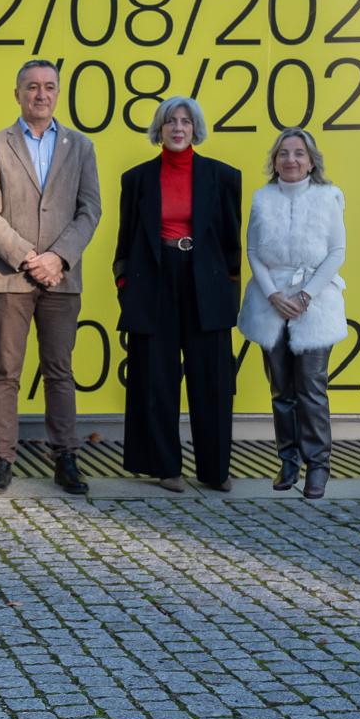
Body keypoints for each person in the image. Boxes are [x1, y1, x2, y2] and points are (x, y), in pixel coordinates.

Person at [0, 59, 102, 496]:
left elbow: (90, 210)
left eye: (48, 86)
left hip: (61, 278)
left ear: (58, 93)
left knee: (59, 370)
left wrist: (58, 258)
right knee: (5, 371)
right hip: (11, 276)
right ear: (17, 93)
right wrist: (28, 257)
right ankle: (1, 460)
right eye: (31, 86)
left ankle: (65, 458)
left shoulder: (80, 147)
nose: (40, 94)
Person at [114, 96, 242, 493]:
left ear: (195, 129)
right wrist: (124, 285)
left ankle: (215, 470)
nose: (178, 128)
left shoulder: (223, 177)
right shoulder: (137, 179)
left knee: (212, 377)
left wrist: (229, 288)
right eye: (170, 121)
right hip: (154, 280)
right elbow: (125, 241)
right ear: (159, 129)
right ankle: (165, 467)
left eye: (185, 121)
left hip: (206, 281)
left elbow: (232, 242)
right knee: (156, 376)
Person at [238, 127, 345, 499]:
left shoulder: (328, 198)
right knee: (281, 388)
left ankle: (318, 466)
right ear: (275, 160)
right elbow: (253, 251)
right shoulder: (262, 198)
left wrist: (306, 295)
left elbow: (337, 252)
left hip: (314, 305)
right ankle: (288, 460)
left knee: (311, 389)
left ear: (311, 161)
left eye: (299, 153)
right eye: (284, 153)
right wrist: (272, 294)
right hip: (271, 305)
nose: (291, 160)